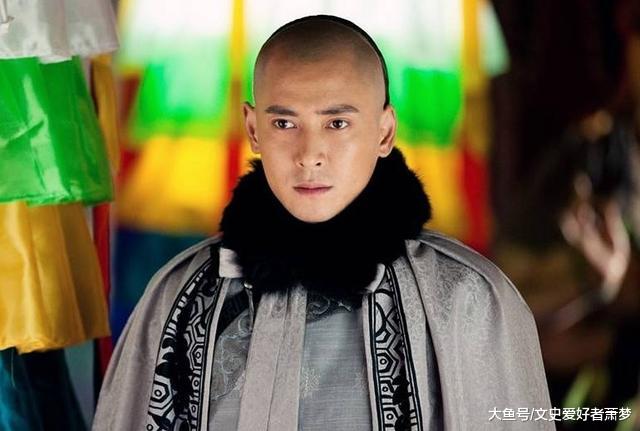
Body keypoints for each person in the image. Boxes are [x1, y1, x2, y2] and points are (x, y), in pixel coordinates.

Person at [93, 15, 553, 430]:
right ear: (252, 129)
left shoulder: (467, 298)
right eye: (284, 124)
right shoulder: (177, 296)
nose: (310, 155)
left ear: (385, 132)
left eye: (336, 124)